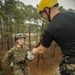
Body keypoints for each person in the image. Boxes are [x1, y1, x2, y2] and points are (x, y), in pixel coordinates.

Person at [32, 0, 75, 75]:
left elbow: (41, 50)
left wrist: (34, 50)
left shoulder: (50, 28)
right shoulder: (72, 14)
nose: (43, 17)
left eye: (42, 13)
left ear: (46, 10)